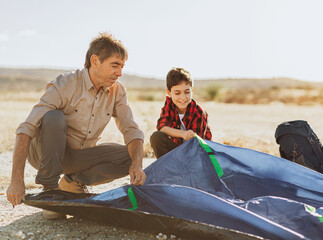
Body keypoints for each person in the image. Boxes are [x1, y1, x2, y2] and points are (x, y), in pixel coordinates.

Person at [6, 32, 146, 219]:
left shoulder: (118, 91)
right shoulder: (65, 84)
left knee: (132, 156)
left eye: (122, 67)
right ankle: (51, 191)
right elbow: (26, 129)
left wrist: (137, 164)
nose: (120, 73)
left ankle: (71, 182)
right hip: (42, 154)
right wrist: (16, 180)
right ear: (95, 60)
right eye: (115, 65)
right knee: (53, 117)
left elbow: (131, 129)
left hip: (77, 157)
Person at [150, 68, 212, 159]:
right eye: (177, 93)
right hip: (178, 151)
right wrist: (183, 134)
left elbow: (198, 146)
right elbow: (161, 127)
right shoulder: (169, 105)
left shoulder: (199, 112)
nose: (182, 98)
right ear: (169, 93)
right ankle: (166, 170)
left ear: (192, 91)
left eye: (187, 92)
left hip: (196, 155)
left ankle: (184, 171)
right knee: (156, 137)